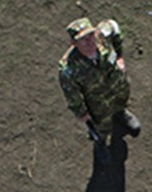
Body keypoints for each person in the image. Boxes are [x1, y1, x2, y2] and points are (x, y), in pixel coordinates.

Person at [58, 17, 141, 155]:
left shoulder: (103, 36)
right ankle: (100, 145)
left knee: (121, 103)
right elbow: (71, 93)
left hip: (118, 88)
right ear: (74, 43)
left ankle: (121, 114)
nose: (89, 41)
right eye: (83, 39)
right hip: (98, 105)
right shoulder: (69, 68)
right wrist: (81, 113)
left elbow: (113, 25)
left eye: (91, 35)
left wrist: (119, 55)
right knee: (102, 128)